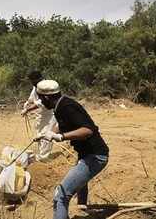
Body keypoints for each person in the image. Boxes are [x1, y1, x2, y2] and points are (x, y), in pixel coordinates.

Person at [35, 80, 109, 219]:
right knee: (78, 179)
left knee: (61, 195)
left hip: (95, 157)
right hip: (87, 154)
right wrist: (48, 133)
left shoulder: (67, 107)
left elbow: (87, 131)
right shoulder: (59, 105)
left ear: (46, 97)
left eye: (40, 98)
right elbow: (62, 123)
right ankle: (82, 207)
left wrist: (61, 137)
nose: (39, 101)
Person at [21, 71, 56, 162]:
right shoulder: (36, 86)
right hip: (40, 115)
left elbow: (42, 102)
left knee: (46, 135)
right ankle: (41, 154)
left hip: (50, 115)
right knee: (39, 134)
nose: (31, 82)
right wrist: (27, 104)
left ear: (37, 79)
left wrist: (28, 109)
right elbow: (32, 98)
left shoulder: (47, 86)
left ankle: (43, 157)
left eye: (32, 80)